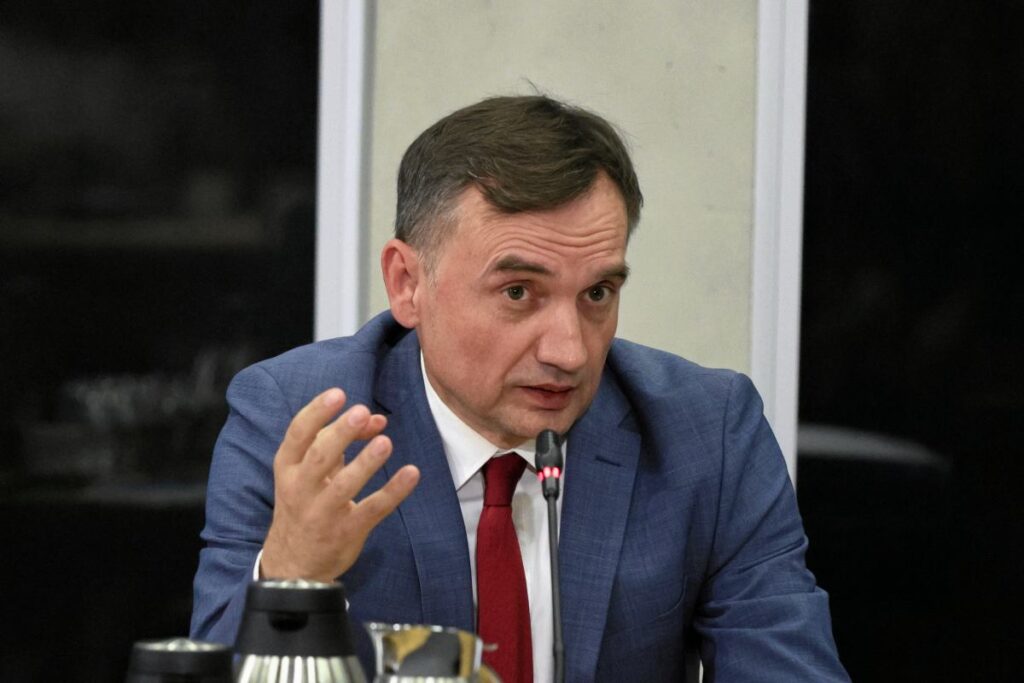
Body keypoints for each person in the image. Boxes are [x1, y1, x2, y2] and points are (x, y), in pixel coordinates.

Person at [190, 95, 849, 682]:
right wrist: (288, 572)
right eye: (518, 292)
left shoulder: (708, 434)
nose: (569, 351)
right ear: (407, 284)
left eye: (597, 293)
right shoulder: (299, 419)